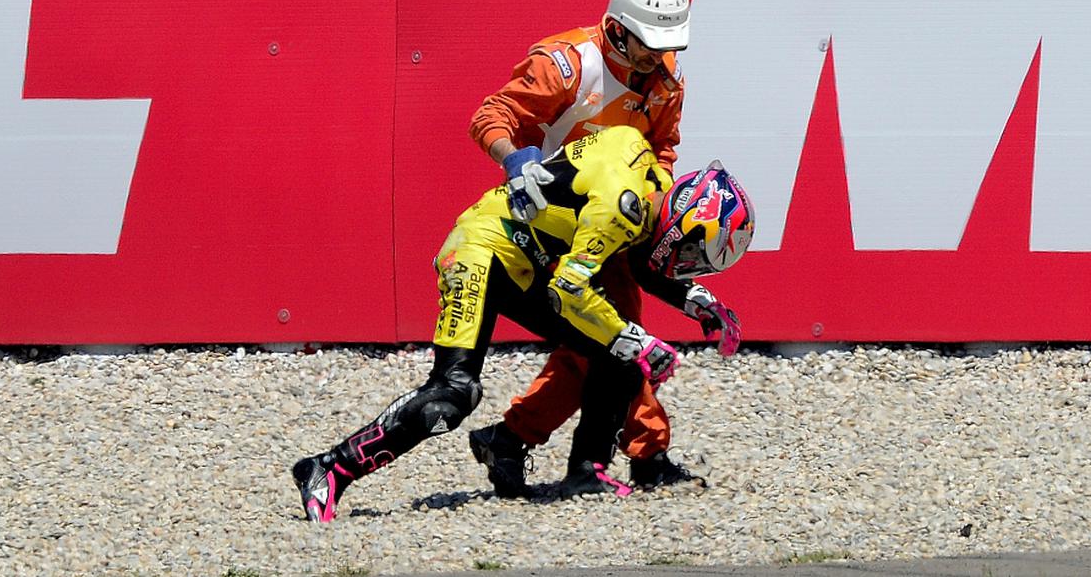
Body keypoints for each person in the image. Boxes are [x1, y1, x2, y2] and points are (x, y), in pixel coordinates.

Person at [292, 126, 753, 523]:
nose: (689, 266)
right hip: (482, 251)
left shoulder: (647, 177)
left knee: (619, 358)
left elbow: (630, 245)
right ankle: (329, 468)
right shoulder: (621, 203)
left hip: (524, 262)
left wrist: (696, 299)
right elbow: (571, 290)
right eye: (692, 256)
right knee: (453, 394)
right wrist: (637, 338)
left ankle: (581, 472)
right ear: (681, 227)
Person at [466, 0, 734, 496]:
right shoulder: (566, 65)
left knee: (608, 340)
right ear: (615, 28)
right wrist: (515, 162)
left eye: (665, 46)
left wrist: (660, 214)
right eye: (647, 44)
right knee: (616, 337)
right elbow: (490, 115)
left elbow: (663, 151)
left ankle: (515, 439)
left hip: (614, 219)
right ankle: (637, 457)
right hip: (548, 224)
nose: (657, 57)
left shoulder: (667, 79)